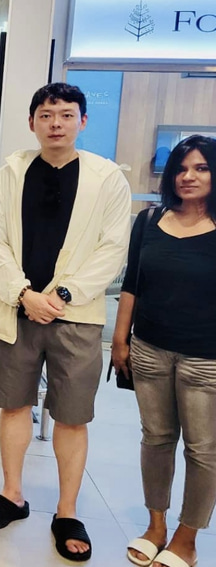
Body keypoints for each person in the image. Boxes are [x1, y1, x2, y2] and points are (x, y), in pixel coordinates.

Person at [0, 83, 130, 561]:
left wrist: (61, 295)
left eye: (65, 114)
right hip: (18, 309)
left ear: (83, 121)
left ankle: (67, 511)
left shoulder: (107, 178)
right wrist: (24, 294)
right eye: (46, 115)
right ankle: (12, 494)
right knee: (14, 405)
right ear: (32, 122)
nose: (55, 123)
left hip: (76, 317)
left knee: (72, 415)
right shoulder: (10, 174)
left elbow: (113, 248)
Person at [114, 135, 216, 567]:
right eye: (181, 168)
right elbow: (132, 284)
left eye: (201, 168)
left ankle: (186, 539)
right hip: (150, 349)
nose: (188, 176)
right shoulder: (150, 220)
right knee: (155, 439)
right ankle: (155, 525)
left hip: (206, 359)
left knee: (202, 450)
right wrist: (120, 340)